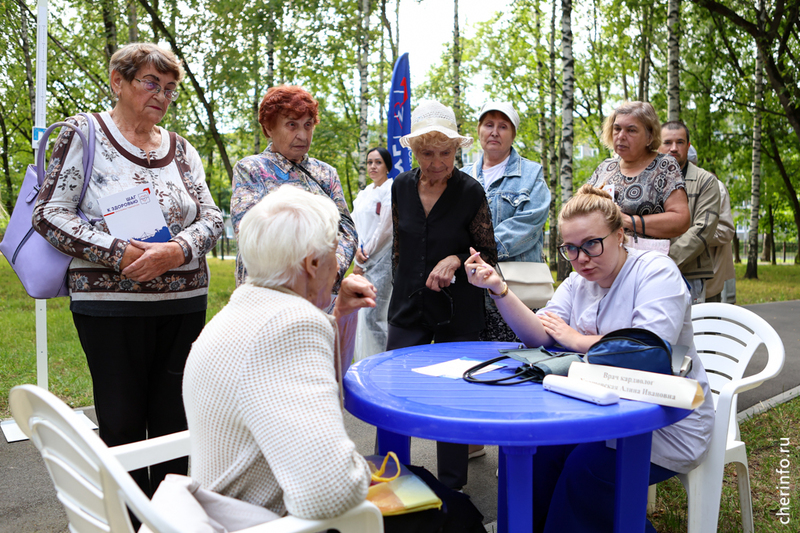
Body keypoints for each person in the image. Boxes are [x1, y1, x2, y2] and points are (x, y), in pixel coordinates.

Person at [183, 186, 485, 533]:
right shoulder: (293, 324)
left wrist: (339, 313)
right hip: (272, 521)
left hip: (224, 509)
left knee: (423, 481)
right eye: (333, 252)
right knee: (457, 514)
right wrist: (361, 469)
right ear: (312, 264)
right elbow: (330, 492)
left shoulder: (239, 309)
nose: (339, 263)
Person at [465, 184, 714, 533]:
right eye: (571, 248)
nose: (582, 258)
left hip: (661, 420)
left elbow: (649, 347)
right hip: (595, 410)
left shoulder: (656, 271)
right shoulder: (576, 282)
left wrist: (578, 341)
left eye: (592, 245)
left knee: (585, 470)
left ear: (620, 235)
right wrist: (499, 289)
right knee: (537, 453)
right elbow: (538, 334)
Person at [32, 43, 223, 496]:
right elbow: (50, 214)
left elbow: (213, 218)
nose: (162, 94)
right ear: (118, 82)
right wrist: (121, 254)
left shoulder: (182, 149)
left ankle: (174, 519)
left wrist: (175, 251)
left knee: (176, 426)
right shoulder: (84, 135)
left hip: (184, 306)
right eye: (150, 82)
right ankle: (128, 521)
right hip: (110, 308)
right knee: (121, 424)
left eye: (170, 88)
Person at [388, 100, 497, 490]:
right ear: (413, 151)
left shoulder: (470, 192)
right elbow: (401, 246)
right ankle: (392, 475)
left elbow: (490, 258)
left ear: (457, 151)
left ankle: (454, 488)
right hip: (408, 304)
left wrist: (455, 258)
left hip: (457, 309)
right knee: (395, 389)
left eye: (445, 153)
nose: (436, 162)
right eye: (426, 152)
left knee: (451, 393)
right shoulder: (400, 187)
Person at [230, 85, 357, 294]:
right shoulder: (251, 169)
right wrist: (304, 273)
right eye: (292, 125)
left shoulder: (326, 173)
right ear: (269, 128)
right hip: (269, 295)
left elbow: (347, 230)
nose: (302, 135)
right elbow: (248, 232)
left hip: (322, 296)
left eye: (308, 125)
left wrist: (329, 272)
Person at [462, 101, 550, 342]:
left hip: (515, 291)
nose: (494, 132)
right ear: (479, 130)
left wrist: (483, 252)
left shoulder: (531, 174)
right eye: (488, 124)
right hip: (470, 291)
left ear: (513, 134)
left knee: (515, 358)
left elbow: (529, 223)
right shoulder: (461, 176)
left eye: (503, 126)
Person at [588, 101, 690, 247]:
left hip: (645, 261)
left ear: (649, 137)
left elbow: (681, 220)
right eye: (617, 129)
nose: (621, 136)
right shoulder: (605, 167)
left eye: (631, 130)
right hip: (602, 260)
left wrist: (628, 221)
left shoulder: (664, 165)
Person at [659, 121, 720, 304]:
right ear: (657, 145)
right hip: (646, 273)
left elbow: (703, 229)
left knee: (691, 331)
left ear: (688, 146)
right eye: (667, 142)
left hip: (689, 274)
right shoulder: (645, 180)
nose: (674, 148)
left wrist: (665, 262)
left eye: (680, 142)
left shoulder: (705, 181)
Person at [352, 147, 394, 360]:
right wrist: (357, 251)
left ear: (387, 165)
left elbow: (386, 229)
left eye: (378, 162)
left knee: (375, 314)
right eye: (369, 162)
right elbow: (355, 225)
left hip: (381, 261)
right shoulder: (365, 193)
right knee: (361, 314)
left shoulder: (390, 188)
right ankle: (363, 360)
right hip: (363, 259)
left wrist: (365, 254)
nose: (372, 167)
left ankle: (382, 361)